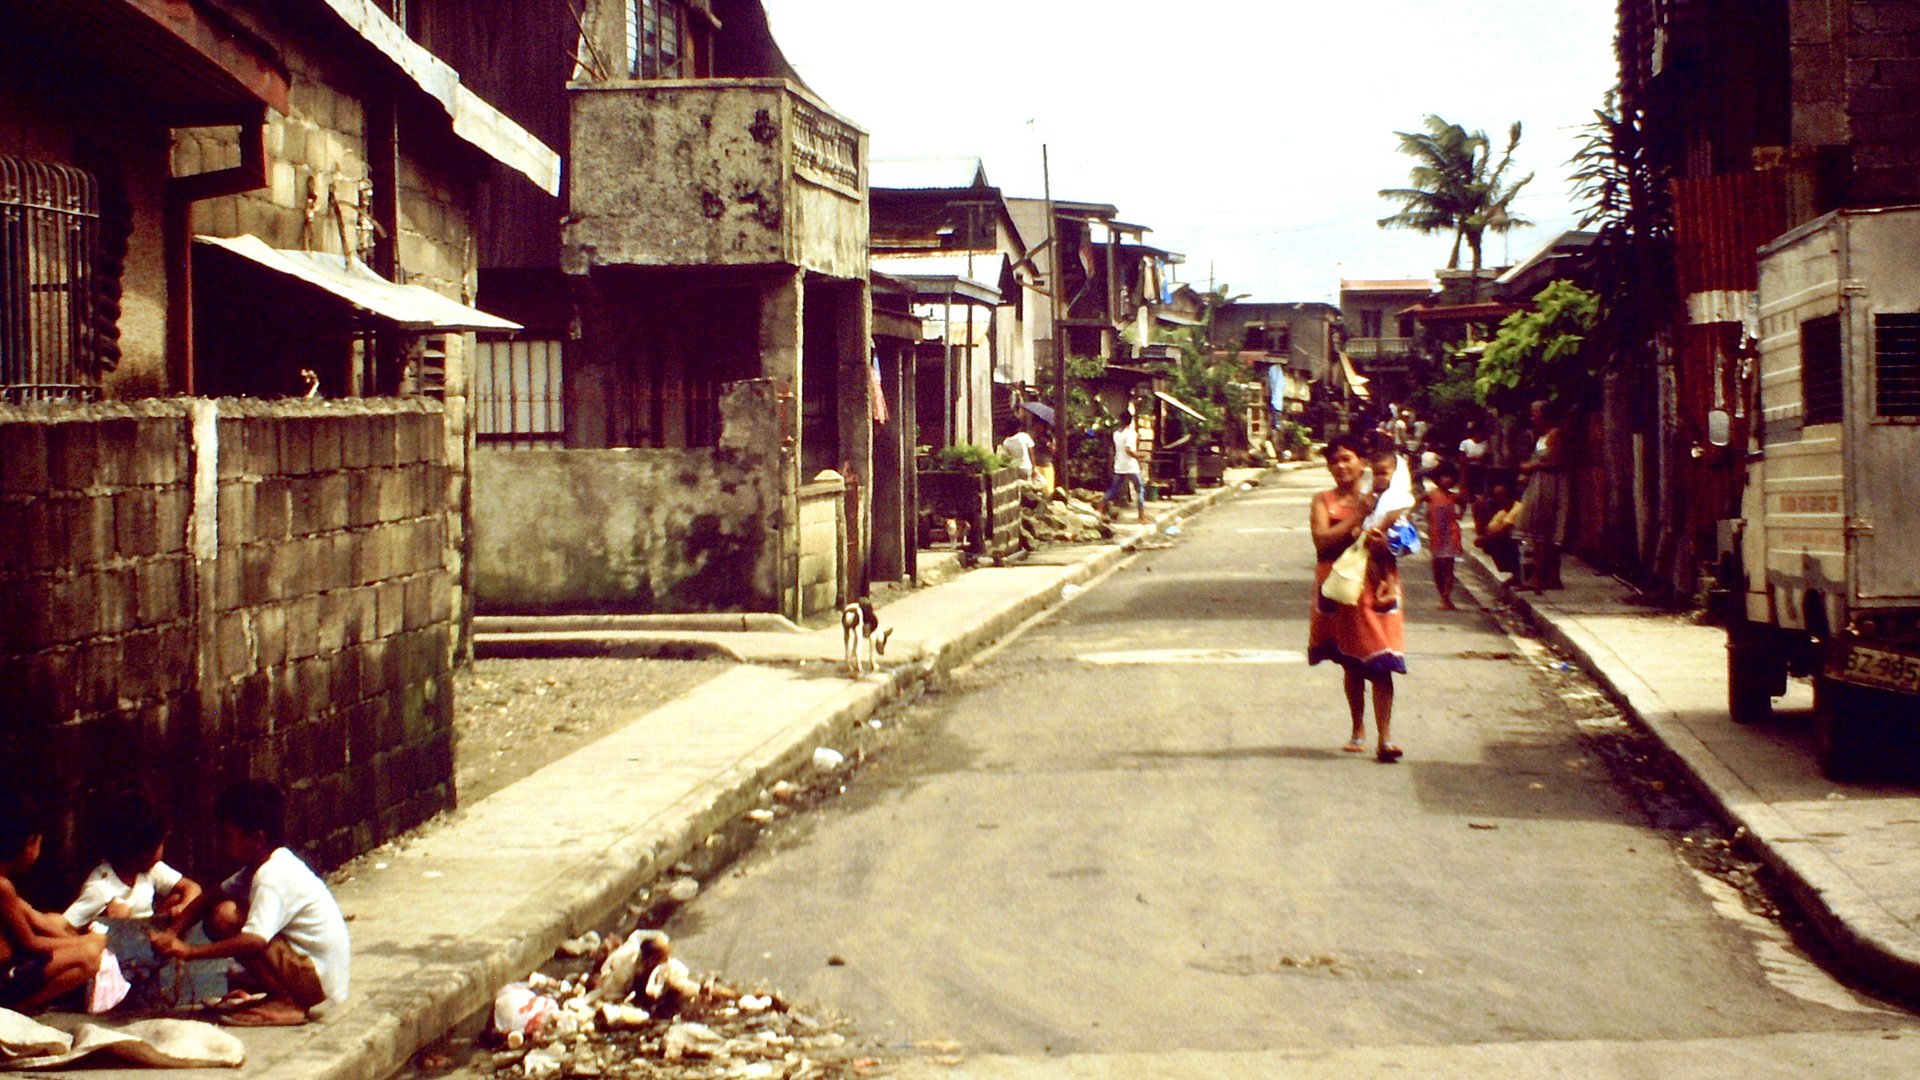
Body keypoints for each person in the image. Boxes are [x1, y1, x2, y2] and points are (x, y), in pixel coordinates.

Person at [152, 781, 350, 1027]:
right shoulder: (258, 866)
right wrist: (172, 932)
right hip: (311, 970)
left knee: (225, 917)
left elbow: (254, 940)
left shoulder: (272, 876)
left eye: (228, 837)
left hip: (317, 980)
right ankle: (280, 995)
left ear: (256, 839)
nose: (222, 844)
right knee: (220, 912)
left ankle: (286, 1002)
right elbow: (212, 895)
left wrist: (190, 952)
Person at [1308, 432, 1407, 764]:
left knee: (1382, 658)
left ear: (1362, 463)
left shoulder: (1385, 497)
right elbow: (1322, 542)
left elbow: (1404, 539)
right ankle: (1357, 729)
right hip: (1340, 588)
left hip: (1377, 586)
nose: (1340, 466)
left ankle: (1386, 738)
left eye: (1347, 458)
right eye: (1334, 460)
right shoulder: (1323, 501)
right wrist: (1357, 516)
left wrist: (1387, 543)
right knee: (1351, 660)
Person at [0, 789, 105, 1013]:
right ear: (30, 842)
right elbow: (30, 943)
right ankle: (17, 1009)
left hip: (8, 969)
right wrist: (86, 943)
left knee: (56, 920)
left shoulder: (6, 887)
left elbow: (35, 918)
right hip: (3, 978)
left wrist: (83, 938)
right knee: (88, 958)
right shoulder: (2, 887)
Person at [62, 793, 202, 934]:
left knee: (177, 898)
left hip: (147, 938)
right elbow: (66, 926)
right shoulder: (100, 888)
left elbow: (192, 887)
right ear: (146, 852)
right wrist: (104, 920)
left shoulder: (150, 870)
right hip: (118, 949)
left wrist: (184, 905)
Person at [1515, 399, 1570, 591]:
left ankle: (1538, 577)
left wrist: (1535, 466)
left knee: (1542, 531)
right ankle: (1551, 577)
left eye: (1535, 414)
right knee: (1539, 531)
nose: (1533, 418)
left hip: (1549, 486)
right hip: (1538, 484)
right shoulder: (1541, 435)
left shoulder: (1555, 435)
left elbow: (1560, 462)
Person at [1426, 462, 1465, 611]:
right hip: (1436, 535)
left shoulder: (1454, 496)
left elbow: (1464, 503)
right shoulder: (1431, 495)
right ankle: (1442, 593)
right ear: (1438, 478)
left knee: (1449, 567)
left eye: (1450, 477)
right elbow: (1414, 502)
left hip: (1451, 534)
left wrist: (1459, 515)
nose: (1447, 480)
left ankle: (1446, 597)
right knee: (1436, 568)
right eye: (1444, 476)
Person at [1101, 412, 1149, 525]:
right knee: (1140, 489)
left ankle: (1100, 507)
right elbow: (1129, 449)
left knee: (1114, 489)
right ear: (1130, 421)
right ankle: (1141, 516)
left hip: (1119, 464)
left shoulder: (1116, 434)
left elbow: (1122, 447)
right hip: (1131, 465)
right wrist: (1139, 456)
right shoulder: (1131, 433)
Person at [1477, 482, 1524, 577]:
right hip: (1511, 539)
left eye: (1502, 495)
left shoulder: (1517, 507)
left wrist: (1486, 537)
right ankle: (1514, 573)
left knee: (1497, 540)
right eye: (1497, 495)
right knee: (1489, 541)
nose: (1499, 498)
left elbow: (1504, 528)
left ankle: (1517, 573)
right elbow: (1488, 529)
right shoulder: (1502, 512)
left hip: (1521, 543)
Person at [1458, 420, 1489, 498]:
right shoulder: (1465, 443)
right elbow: (1463, 460)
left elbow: (1485, 458)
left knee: (1480, 492)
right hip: (1469, 469)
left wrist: (1475, 459)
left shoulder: (1485, 444)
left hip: (1480, 469)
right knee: (1469, 491)